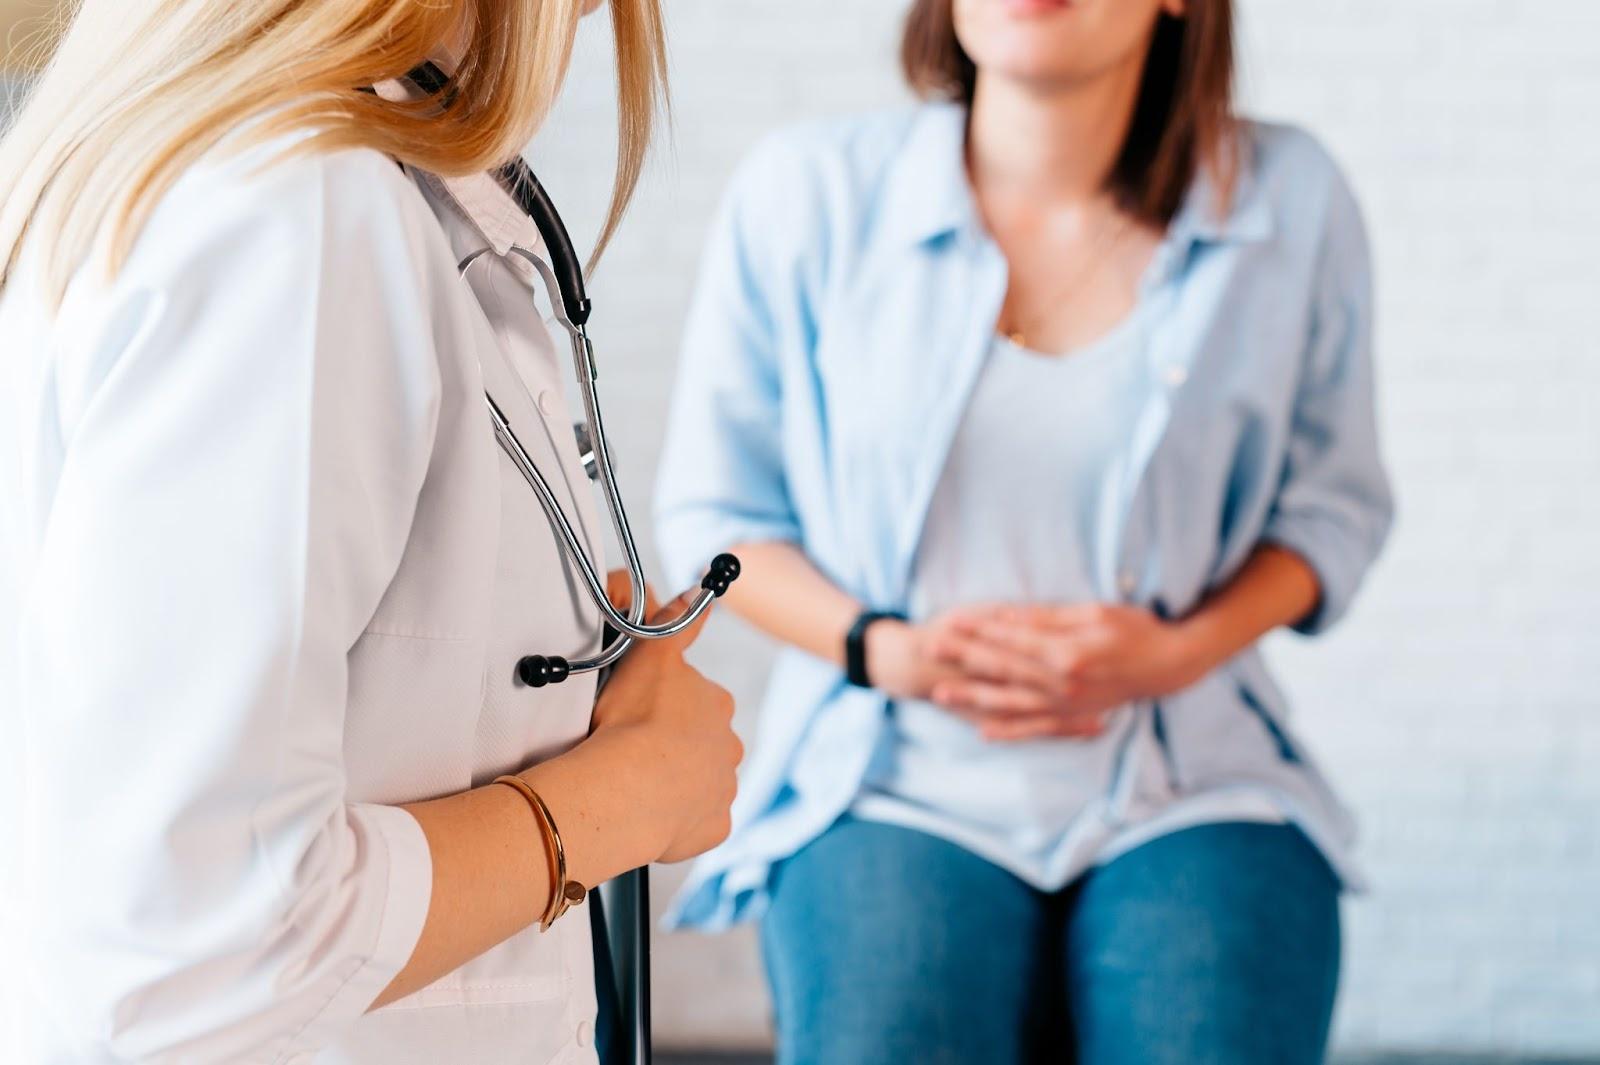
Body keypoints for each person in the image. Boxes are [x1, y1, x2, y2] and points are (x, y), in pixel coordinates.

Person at [0, 0, 742, 1061]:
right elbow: (195, 947)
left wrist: (586, 699)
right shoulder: (296, 209)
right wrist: (628, 794)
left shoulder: (287, 179)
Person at [654, 0, 1394, 1062]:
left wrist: (1173, 652)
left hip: (1191, 778)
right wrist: (885, 650)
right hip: (889, 778)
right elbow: (716, 520)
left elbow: (1333, 505)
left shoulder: (1290, 196)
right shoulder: (805, 192)